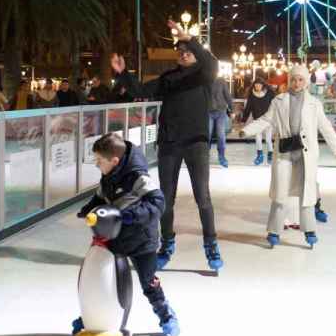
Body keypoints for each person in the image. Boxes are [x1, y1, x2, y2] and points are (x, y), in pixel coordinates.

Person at [111, 19, 223, 271]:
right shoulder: (169, 78)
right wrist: (123, 74)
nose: (183, 54)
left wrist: (190, 38)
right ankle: (167, 243)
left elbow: (211, 63)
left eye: (188, 51)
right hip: (170, 144)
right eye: (180, 52)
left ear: (195, 54)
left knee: (202, 197)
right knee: (166, 200)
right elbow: (140, 89)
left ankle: (211, 245)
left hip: (196, 144)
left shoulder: (203, 76)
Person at [75, 133, 179, 336]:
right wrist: (88, 209)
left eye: (99, 161)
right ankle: (93, 317)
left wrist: (128, 216)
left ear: (114, 161)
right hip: (113, 238)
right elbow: (100, 196)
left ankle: (166, 314)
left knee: (148, 282)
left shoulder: (139, 177)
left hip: (142, 240)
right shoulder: (109, 175)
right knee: (101, 278)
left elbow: (158, 204)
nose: (97, 164)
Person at [242, 65, 336, 248]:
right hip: (285, 152)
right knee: (281, 192)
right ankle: (274, 230)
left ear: (305, 82)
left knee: (307, 192)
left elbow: (325, 126)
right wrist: (247, 130)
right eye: (294, 79)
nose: (297, 83)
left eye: (301, 79)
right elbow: (266, 119)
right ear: (289, 80)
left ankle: (310, 229)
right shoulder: (279, 100)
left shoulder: (314, 103)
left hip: (306, 153)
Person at [241, 80, 274, 165]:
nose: (257, 87)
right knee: (258, 139)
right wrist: (243, 120)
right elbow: (248, 108)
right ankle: (260, 156)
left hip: (267, 120)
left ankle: (270, 154)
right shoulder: (252, 96)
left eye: (259, 85)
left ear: (262, 85)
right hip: (257, 121)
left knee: (268, 139)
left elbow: (274, 105)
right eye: (256, 85)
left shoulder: (269, 94)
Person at [207, 77, 233, 168]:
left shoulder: (221, 81)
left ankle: (222, 156)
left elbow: (227, 95)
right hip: (208, 111)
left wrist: (231, 108)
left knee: (221, 135)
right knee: (207, 134)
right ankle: (205, 156)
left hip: (221, 112)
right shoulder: (204, 80)